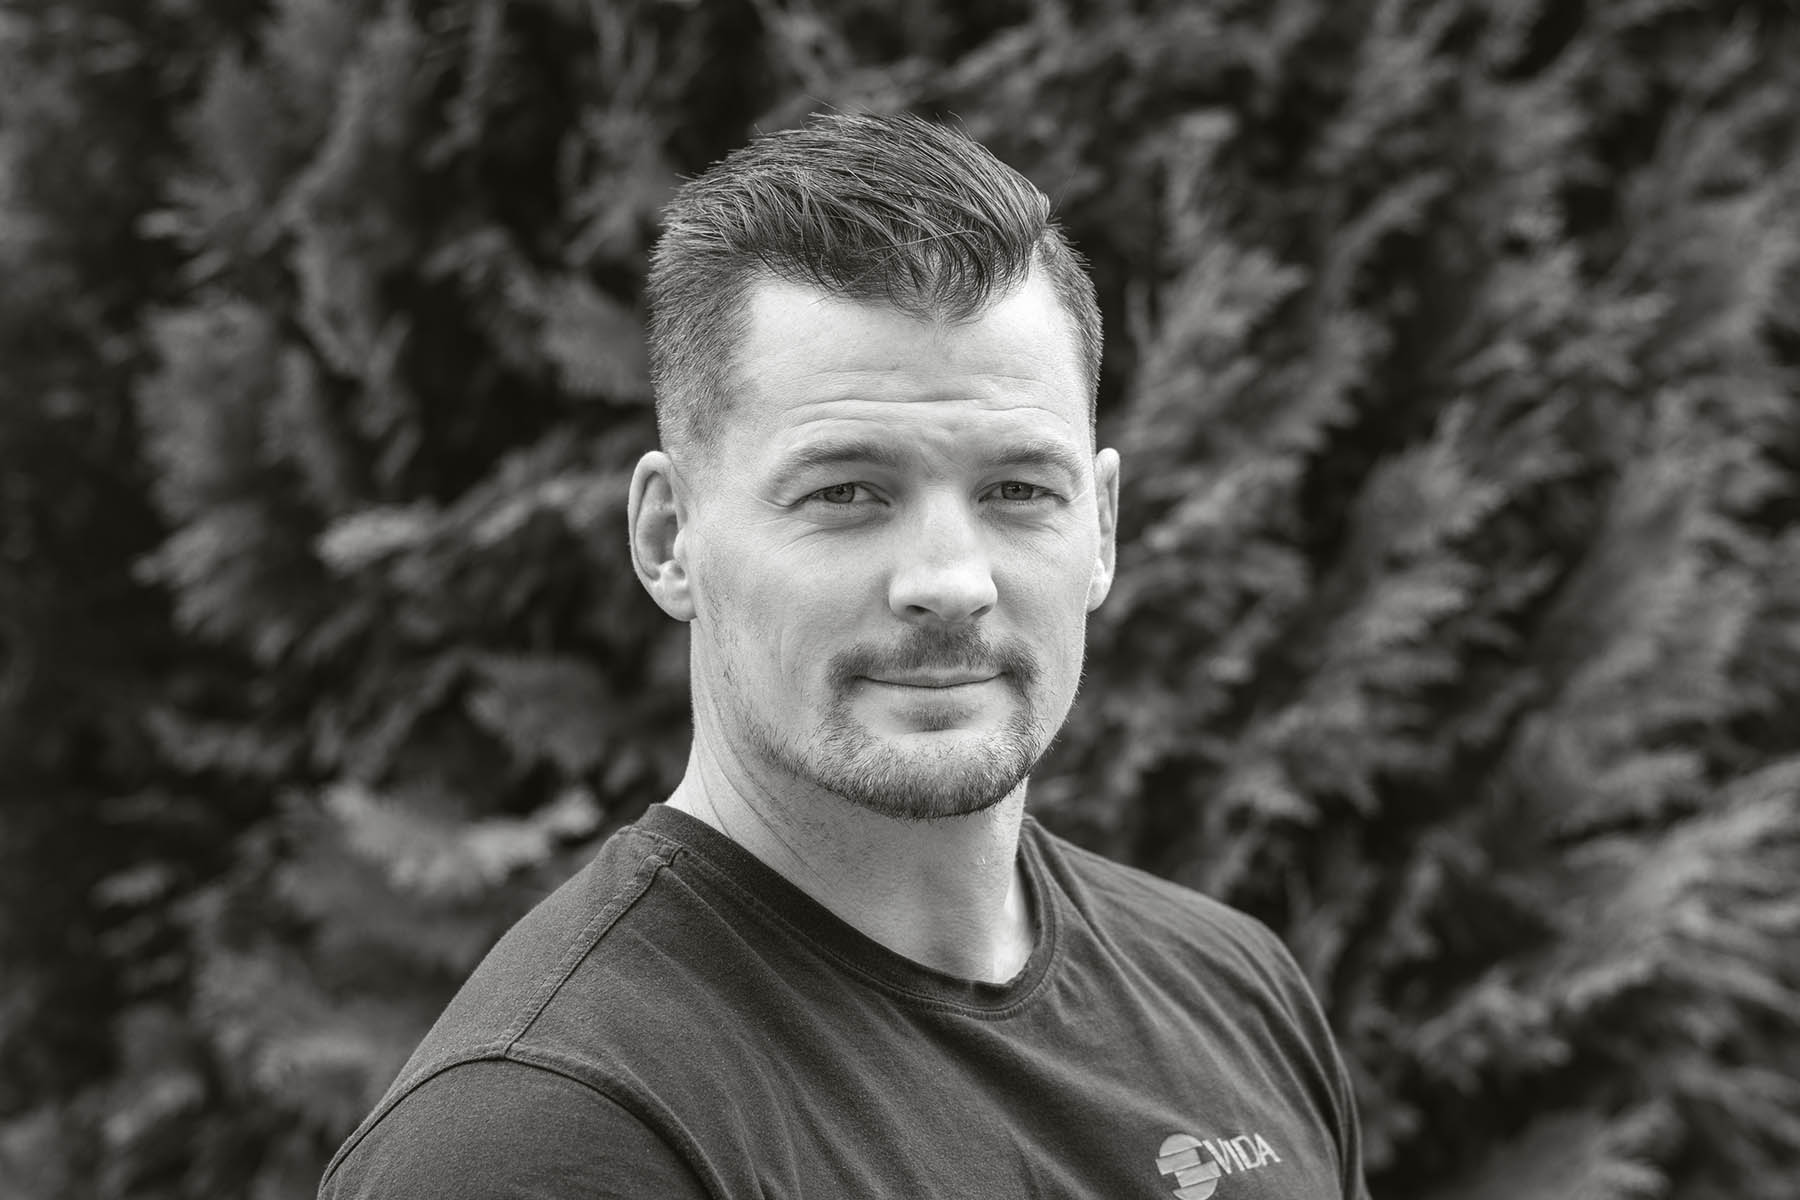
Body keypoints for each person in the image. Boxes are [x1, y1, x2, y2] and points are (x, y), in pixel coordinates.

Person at [319, 111, 1369, 1200]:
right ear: (669, 538)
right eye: (848, 492)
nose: (950, 580)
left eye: (1018, 489)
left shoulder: (1235, 992)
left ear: (1100, 528)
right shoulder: (541, 1139)